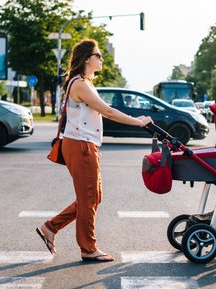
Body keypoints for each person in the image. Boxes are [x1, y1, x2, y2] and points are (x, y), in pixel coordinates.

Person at [36, 39, 153, 262]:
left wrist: (135, 119)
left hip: (83, 144)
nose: (101, 59)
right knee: (89, 198)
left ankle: (50, 228)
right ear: (87, 59)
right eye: (98, 55)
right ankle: (88, 248)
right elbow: (107, 111)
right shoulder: (80, 84)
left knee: (92, 196)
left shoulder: (85, 83)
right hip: (81, 146)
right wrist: (138, 123)